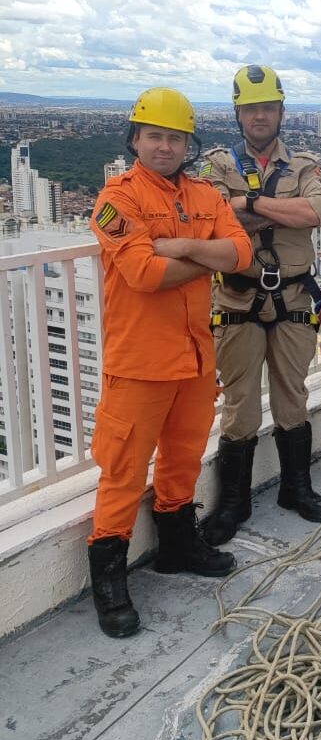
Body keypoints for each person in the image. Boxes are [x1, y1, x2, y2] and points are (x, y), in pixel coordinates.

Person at [87, 87, 253, 637]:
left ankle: (178, 546)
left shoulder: (204, 193)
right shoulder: (117, 200)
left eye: (175, 137)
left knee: (184, 456)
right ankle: (110, 580)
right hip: (139, 361)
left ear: (188, 143)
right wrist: (205, 256)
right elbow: (144, 274)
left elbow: (242, 255)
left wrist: (176, 246)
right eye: (154, 135)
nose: (165, 146)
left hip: (194, 356)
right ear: (135, 139)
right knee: (124, 471)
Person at [200, 64, 321, 546]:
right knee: (239, 402)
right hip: (237, 296)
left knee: (292, 393)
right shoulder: (216, 164)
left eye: (268, 108)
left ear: (281, 111)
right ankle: (234, 501)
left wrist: (246, 204)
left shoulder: (306, 165)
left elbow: (317, 212)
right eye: (251, 108)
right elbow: (211, 221)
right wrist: (278, 209)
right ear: (239, 113)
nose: (260, 116)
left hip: (293, 296)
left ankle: (296, 488)